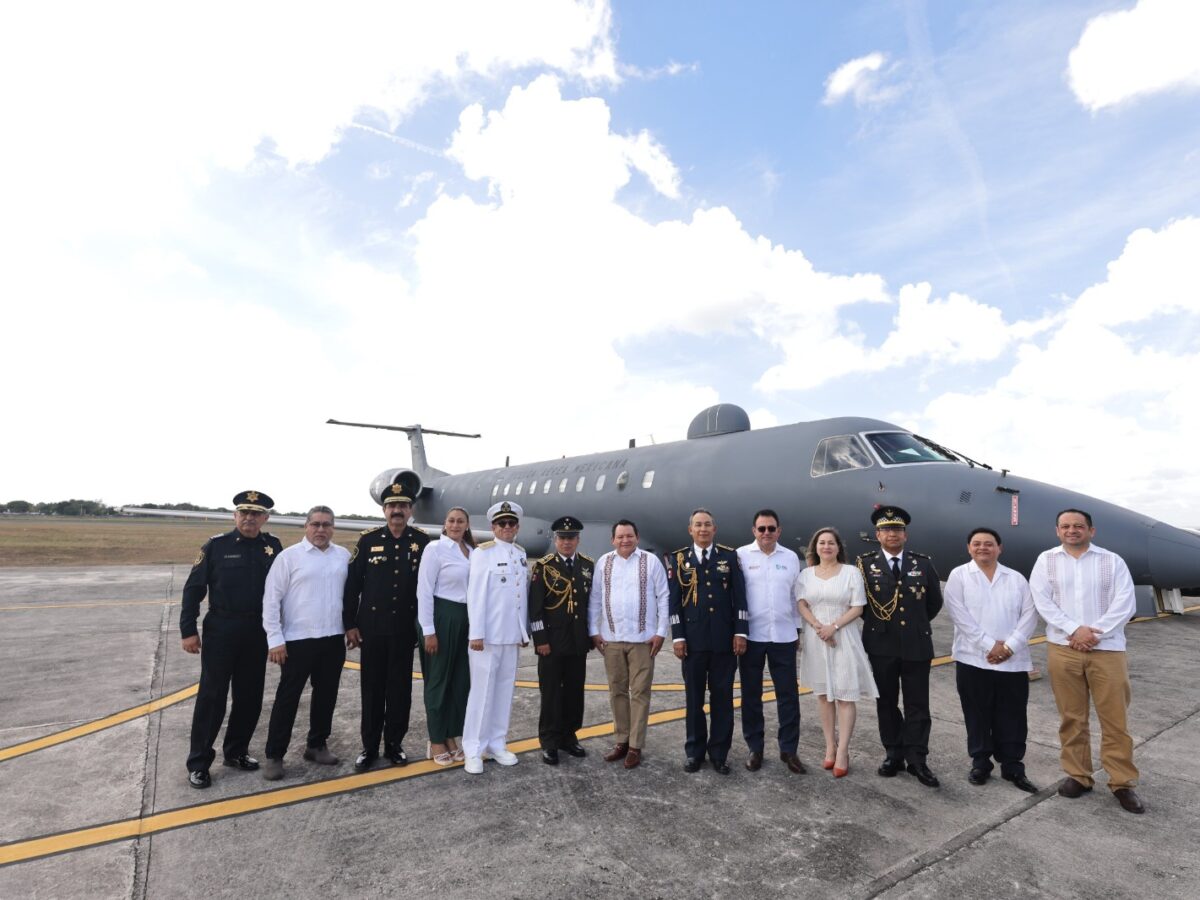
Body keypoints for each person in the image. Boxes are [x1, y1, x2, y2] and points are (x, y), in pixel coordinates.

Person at [1029, 509, 1144, 814]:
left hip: (1106, 649)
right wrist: (1073, 630)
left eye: (1078, 526)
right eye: (1065, 526)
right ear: (1057, 531)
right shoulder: (1046, 560)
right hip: (1064, 648)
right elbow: (1042, 600)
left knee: (1115, 720)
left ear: (1091, 530)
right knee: (1072, 717)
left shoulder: (1111, 561)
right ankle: (1078, 775)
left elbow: (1125, 602)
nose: (1072, 530)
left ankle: (1122, 782)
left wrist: (1095, 633)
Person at [180, 490, 283, 788]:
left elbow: (282, 591)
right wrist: (188, 630)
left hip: (257, 631)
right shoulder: (216, 546)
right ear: (235, 516)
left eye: (256, 513)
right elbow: (193, 589)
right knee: (212, 698)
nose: (249, 518)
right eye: (244, 513)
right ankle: (199, 762)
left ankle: (236, 751)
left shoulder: (273, 547)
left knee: (249, 697)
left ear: (265, 518)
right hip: (222, 629)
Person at [943, 527, 1038, 793]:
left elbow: (1030, 615)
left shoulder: (1016, 579)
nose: (982, 548)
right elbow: (958, 614)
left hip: (1013, 660)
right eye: (977, 544)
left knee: (1013, 715)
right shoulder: (959, 576)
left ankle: (1012, 767)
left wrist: (1009, 647)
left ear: (999, 548)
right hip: (972, 658)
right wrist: (989, 644)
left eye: (989, 544)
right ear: (969, 548)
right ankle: (981, 763)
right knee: (976, 713)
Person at [343, 481, 430, 770]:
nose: (397, 511)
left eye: (402, 506)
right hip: (372, 629)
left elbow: (429, 587)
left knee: (400, 690)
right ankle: (369, 747)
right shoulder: (367, 540)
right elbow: (352, 585)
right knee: (372, 690)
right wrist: (350, 624)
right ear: (384, 510)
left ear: (410, 510)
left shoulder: (421, 541)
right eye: (392, 506)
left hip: (404, 630)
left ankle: (394, 744)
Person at [260, 506, 351, 780]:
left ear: (333, 527)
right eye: (315, 524)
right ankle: (275, 755)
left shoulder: (343, 557)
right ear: (306, 526)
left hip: (333, 638)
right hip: (297, 640)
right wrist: (275, 639)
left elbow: (352, 596)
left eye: (326, 525)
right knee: (287, 699)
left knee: (326, 696)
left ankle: (317, 745)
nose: (321, 530)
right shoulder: (288, 558)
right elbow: (270, 600)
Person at [857, 506, 943, 787]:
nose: (892, 534)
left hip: (917, 644)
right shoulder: (864, 564)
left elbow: (934, 604)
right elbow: (860, 604)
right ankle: (893, 753)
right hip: (881, 644)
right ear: (877, 535)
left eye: (897, 529)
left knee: (918, 704)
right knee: (886, 702)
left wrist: (915, 625)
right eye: (886, 530)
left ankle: (917, 759)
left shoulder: (923, 563)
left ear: (905, 535)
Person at [666, 508, 748, 775]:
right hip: (692, 643)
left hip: (725, 643)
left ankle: (719, 754)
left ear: (715, 529)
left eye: (708, 525)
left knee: (723, 700)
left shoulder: (728, 556)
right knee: (694, 701)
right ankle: (694, 752)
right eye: (698, 525)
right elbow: (674, 603)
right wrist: (678, 636)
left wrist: (741, 632)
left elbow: (740, 598)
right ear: (690, 530)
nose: (703, 529)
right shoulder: (679, 559)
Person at [588, 519, 670, 770]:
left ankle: (635, 745)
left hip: (643, 640)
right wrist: (594, 631)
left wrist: (660, 632)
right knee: (617, 692)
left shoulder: (650, 561)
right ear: (613, 539)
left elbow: (664, 596)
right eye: (620, 536)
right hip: (611, 640)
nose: (625, 540)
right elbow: (595, 599)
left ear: (637, 537)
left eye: (629, 536)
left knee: (641, 693)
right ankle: (621, 740)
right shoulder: (604, 562)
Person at [797, 527, 877, 778]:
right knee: (823, 696)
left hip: (843, 636)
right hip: (816, 637)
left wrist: (833, 627)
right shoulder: (806, 575)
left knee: (845, 696)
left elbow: (858, 607)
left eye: (831, 543)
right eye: (822, 543)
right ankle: (829, 748)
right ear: (815, 547)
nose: (826, 547)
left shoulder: (851, 572)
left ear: (838, 547)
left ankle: (843, 751)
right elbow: (801, 603)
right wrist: (818, 627)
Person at [736, 509, 806, 774]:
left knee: (788, 696)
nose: (767, 533)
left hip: (783, 636)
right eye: (762, 528)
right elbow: (737, 597)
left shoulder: (790, 558)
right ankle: (755, 748)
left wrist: (797, 630)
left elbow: (793, 597)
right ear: (754, 531)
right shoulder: (741, 556)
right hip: (752, 637)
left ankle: (789, 750)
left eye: (771, 528)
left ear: (779, 530)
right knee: (751, 695)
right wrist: (739, 632)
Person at [462, 501, 529, 775]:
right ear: (493, 527)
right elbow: (475, 595)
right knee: (481, 693)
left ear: (517, 527)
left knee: (504, 691)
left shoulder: (521, 553)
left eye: (511, 523)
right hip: (487, 637)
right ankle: (474, 749)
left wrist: (523, 632)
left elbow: (520, 598)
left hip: (511, 636)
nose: (507, 528)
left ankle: (498, 743)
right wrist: (476, 633)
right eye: (502, 523)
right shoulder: (483, 553)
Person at [529, 516, 594, 766]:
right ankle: (549, 741)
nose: (567, 542)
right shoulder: (543, 567)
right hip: (552, 644)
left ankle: (569, 736)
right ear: (555, 540)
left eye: (571, 538)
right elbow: (535, 610)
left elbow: (591, 604)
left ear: (577, 540)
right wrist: (540, 640)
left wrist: (591, 635)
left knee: (575, 692)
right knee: (552, 694)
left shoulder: (587, 565)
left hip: (578, 643)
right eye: (562, 538)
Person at [417, 507, 475, 766]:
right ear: (444, 524)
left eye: (460, 521)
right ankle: (436, 739)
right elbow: (424, 591)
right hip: (442, 617)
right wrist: (428, 630)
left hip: (466, 620)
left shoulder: (472, 551)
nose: (455, 525)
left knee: (459, 682)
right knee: (438, 682)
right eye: (451, 520)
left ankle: (451, 735)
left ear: (467, 525)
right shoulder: (434, 549)